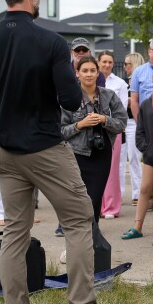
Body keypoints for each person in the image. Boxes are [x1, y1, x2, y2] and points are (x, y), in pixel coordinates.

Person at [0, 0, 120, 304]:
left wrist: (3, 115)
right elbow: (71, 98)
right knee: (79, 220)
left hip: (3, 148)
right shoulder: (50, 42)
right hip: (44, 147)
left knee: (15, 233)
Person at [60, 54, 127, 227]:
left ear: (98, 73)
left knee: (95, 198)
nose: (89, 74)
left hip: (101, 154)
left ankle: (93, 234)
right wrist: (80, 124)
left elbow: (121, 124)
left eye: (92, 70)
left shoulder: (108, 95)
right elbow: (59, 131)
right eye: (85, 71)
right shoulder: (68, 98)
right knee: (78, 199)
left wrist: (104, 119)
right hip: (76, 155)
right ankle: (79, 234)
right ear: (77, 73)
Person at [122, 70, 153, 241]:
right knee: (144, 189)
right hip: (151, 154)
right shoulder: (146, 104)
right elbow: (139, 131)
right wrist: (146, 149)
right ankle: (137, 226)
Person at [98, 50, 128, 219]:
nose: (107, 65)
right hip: (92, 129)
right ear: (98, 62)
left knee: (112, 170)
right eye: (104, 61)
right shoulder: (91, 79)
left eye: (110, 62)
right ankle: (97, 204)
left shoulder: (120, 84)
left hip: (112, 130)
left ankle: (110, 207)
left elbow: (121, 108)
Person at [123, 51, 146, 206]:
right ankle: (134, 192)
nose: (125, 67)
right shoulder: (124, 82)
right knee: (130, 158)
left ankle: (139, 192)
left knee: (136, 158)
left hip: (137, 121)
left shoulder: (140, 81)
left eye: (127, 64)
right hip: (125, 121)